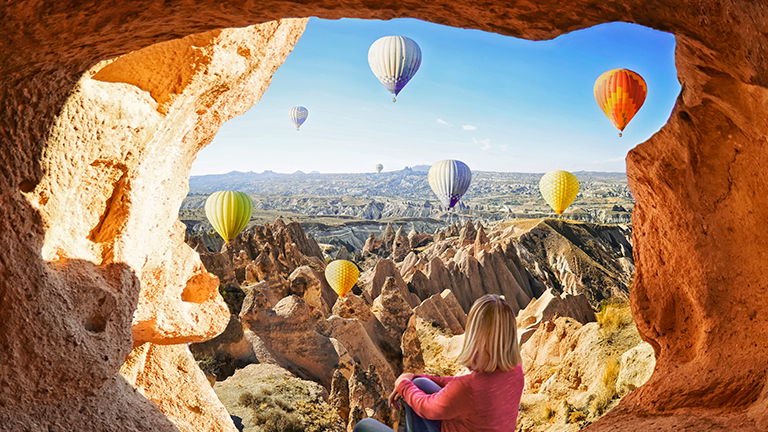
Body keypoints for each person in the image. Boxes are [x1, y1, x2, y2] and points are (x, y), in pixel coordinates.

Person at [353, 294, 525, 432]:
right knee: (419, 383)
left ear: (475, 335)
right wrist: (414, 377)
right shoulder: (516, 371)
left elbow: (427, 407)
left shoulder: (468, 388)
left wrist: (403, 384)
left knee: (364, 426)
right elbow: (459, 386)